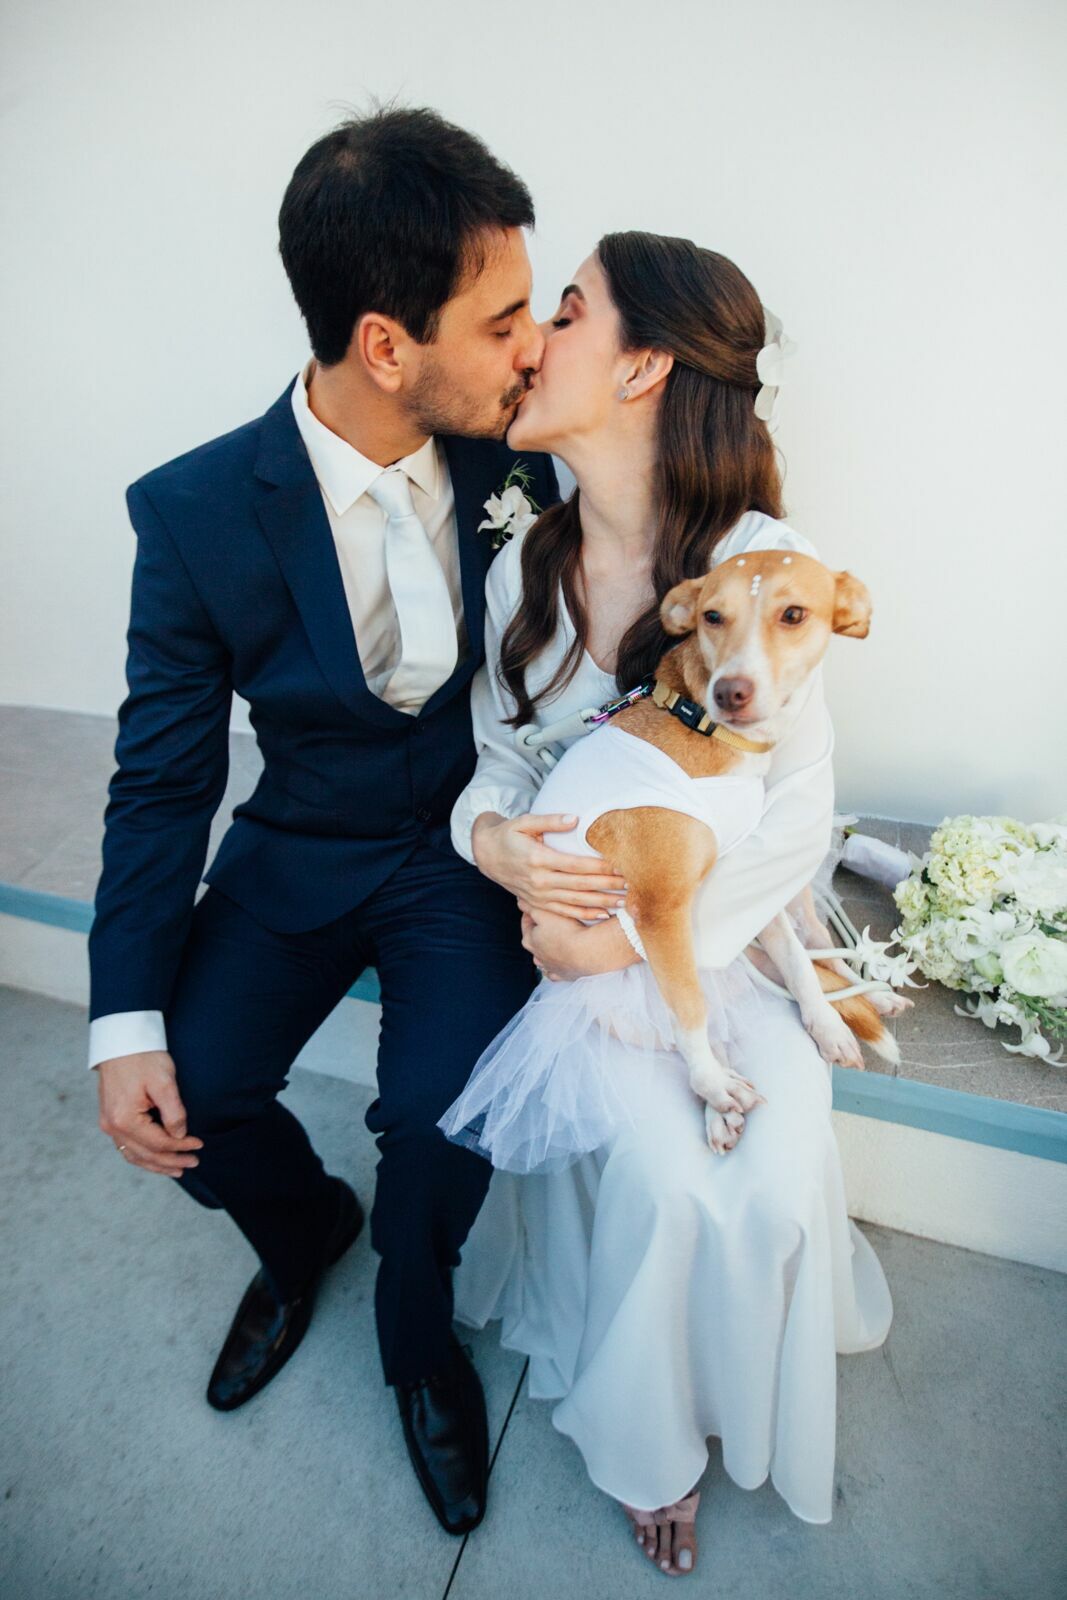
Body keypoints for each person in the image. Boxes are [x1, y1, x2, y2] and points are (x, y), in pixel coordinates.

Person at [87, 106, 605, 1537]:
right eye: (502, 321)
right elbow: (161, 778)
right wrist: (121, 1020)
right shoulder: (193, 513)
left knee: (443, 1120)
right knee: (192, 1093)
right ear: (385, 344)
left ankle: (420, 1340)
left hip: (467, 851)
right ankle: (305, 1229)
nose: (532, 349)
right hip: (302, 846)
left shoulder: (525, 458)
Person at [446, 232, 894, 1577]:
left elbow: (798, 815)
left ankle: (733, 1396)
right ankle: (650, 1448)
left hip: (734, 934)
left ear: (643, 367)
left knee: (767, 1182)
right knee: (658, 1173)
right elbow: (499, 764)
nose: (532, 341)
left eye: (565, 312)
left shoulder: (762, 566)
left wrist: (630, 940)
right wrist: (497, 844)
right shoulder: (523, 565)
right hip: (583, 946)